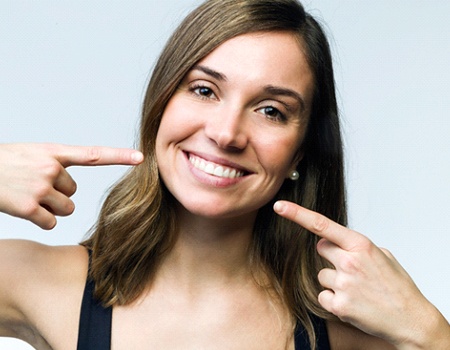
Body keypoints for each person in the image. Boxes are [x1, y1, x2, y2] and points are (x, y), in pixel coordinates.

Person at [0, 0, 449, 349]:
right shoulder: (38, 281)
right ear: (161, 104)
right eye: (204, 89)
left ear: (299, 154)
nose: (226, 133)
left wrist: (427, 331)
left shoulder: (346, 322)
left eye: (271, 111)